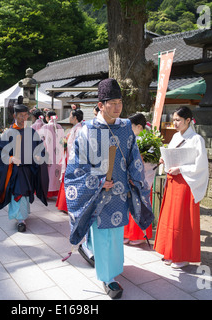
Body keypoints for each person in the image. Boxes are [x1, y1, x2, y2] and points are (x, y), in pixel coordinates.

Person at [64, 78, 148, 299]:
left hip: (120, 192)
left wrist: (134, 177)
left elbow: (134, 158)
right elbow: (76, 168)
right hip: (99, 194)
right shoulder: (87, 130)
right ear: (100, 105)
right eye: (112, 103)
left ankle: (109, 265)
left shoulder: (126, 127)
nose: (118, 107)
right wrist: (98, 180)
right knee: (103, 236)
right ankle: (108, 279)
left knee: (115, 234)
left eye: (120, 102)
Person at [153, 106, 209, 269]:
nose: (175, 123)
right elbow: (172, 155)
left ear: (188, 121)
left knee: (181, 219)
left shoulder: (197, 139)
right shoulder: (176, 136)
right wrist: (165, 160)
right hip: (173, 181)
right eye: (173, 120)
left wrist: (182, 169)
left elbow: (201, 165)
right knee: (170, 218)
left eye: (178, 120)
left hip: (186, 182)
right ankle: (170, 252)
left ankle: (182, 256)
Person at [0, 103, 49, 232]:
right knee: (19, 192)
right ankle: (20, 220)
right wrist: (11, 158)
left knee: (25, 193)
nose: (23, 118)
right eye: (20, 116)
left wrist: (40, 156)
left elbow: (39, 147)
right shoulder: (9, 133)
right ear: (14, 116)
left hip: (29, 169)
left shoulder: (31, 131)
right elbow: (0, 151)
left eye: (25, 115)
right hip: (15, 170)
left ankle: (22, 215)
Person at [123, 113, 153, 245]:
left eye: (131, 126)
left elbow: (151, 162)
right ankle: (128, 234)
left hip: (142, 178)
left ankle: (139, 235)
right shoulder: (132, 139)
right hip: (131, 177)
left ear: (139, 127)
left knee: (140, 205)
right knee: (130, 205)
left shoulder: (149, 141)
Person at [56, 109, 84, 212]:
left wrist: (65, 143)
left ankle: (69, 205)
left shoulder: (79, 129)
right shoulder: (75, 128)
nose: (69, 118)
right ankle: (65, 205)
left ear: (75, 118)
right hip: (70, 157)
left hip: (73, 159)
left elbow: (77, 145)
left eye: (70, 115)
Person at [41, 110, 64, 198]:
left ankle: (47, 191)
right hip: (58, 154)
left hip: (48, 153)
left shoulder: (45, 127)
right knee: (56, 172)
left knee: (48, 173)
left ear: (47, 117)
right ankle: (56, 191)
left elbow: (42, 141)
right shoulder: (59, 126)